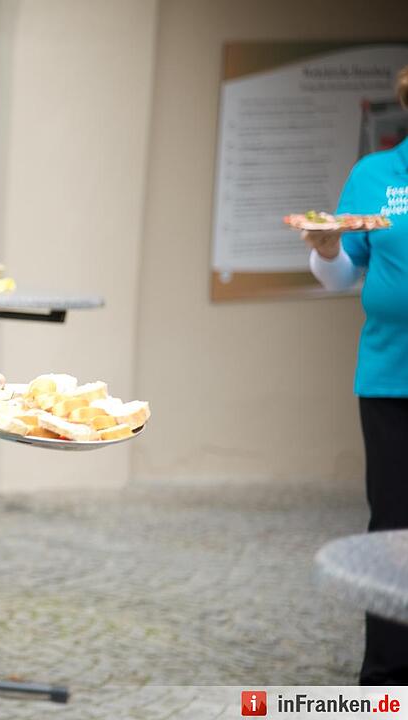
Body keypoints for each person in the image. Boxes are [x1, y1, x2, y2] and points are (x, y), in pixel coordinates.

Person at [303, 65, 408, 685]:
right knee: (393, 528)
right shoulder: (376, 175)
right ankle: (389, 679)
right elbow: (345, 274)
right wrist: (325, 251)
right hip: (391, 378)